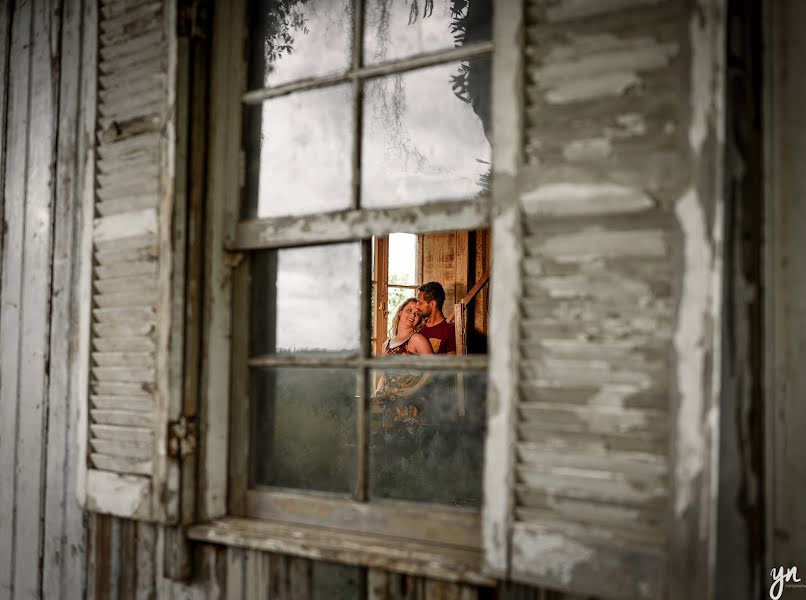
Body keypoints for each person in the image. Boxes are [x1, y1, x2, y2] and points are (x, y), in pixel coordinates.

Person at [374, 298, 433, 434]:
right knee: (390, 450)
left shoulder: (417, 339)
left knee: (410, 451)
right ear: (400, 312)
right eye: (409, 310)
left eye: (417, 314)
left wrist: (413, 389)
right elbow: (385, 374)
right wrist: (379, 389)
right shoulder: (386, 344)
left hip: (412, 408)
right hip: (390, 407)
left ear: (420, 320)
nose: (413, 315)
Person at [415, 281, 456, 355]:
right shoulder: (418, 326)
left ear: (433, 304)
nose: (416, 306)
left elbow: (452, 363)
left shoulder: (450, 330)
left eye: (420, 303)